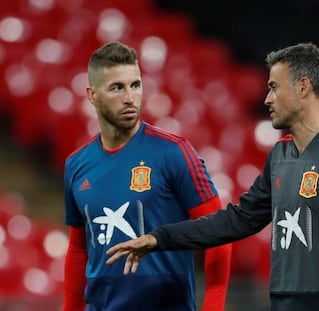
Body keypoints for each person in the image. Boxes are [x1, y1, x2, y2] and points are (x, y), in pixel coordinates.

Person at [106, 42, 319, 311]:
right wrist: (161, 238)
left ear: (303, 87)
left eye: (274, 87)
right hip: (283, 302)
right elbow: (238, 220)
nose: (268, 98)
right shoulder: (280, 155)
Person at [62, 41, 232, 311]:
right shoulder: (76, 165)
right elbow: (78, 251)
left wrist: (214, 305)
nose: (130, 97)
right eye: (117, 87)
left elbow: (218, 231)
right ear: (92, 95)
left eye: (136, 85)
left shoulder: (174, 152)